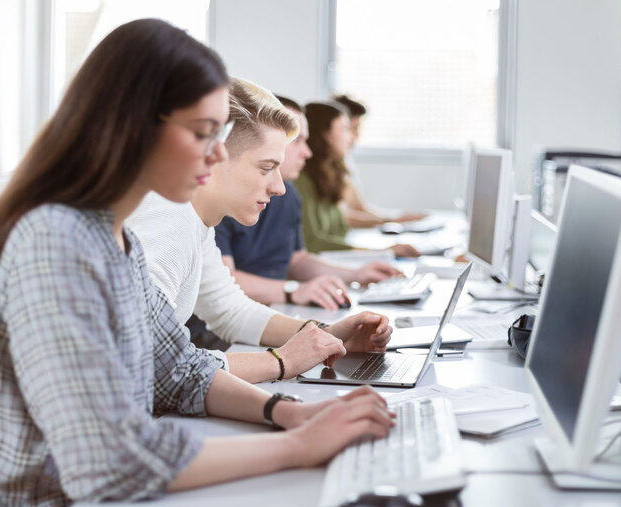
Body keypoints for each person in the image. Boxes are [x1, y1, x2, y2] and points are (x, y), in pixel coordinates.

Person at [0, 20, 393, 507]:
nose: (217, 155)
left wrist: (289, 413)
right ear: (135, 127)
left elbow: (178, 371)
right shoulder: (53, 242)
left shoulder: (112, 235)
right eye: (203, 134)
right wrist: (298, 447)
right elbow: (108, 461)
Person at [128, 78, 394, 383]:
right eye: (266, 168)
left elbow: (230, 311)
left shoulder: (196, 220)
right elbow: (151, 363)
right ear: (215, 157)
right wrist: (281, 361)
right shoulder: (165, 217)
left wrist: (328, 336)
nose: (279, 187)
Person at [213, 95, 402, 311]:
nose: (307, 152)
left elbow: (296, 261)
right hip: (238, 318)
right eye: (297, 140)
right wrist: (293, 290)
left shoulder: (288, 193)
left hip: (266, 311)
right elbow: (222, 284)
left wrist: (356, 274)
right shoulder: (223, 198)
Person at [294, 101, 420, 256]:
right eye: (345, 130)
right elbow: (312, 242)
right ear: (324, 135)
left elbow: (341, 223)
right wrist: (381, 251)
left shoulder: (328, 175)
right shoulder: (300, 180)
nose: (351, 138)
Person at [332, 93, 427, 228]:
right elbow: (341, 218)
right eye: (352, 128)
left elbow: (359, 207)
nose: (356, 135)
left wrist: (395, 217)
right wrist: (390, 220)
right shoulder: (320, 168)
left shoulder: (344, 163)